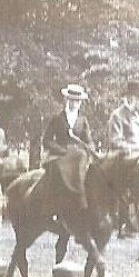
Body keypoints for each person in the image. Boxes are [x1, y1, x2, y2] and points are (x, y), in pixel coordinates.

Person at [106, 80, 139, 234]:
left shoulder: (137, 118)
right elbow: (115, 141)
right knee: (136, 179)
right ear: (130, 98)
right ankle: (126, 221)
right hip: (123, 159)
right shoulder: (117, 116)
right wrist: (135, 150)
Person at [41, 83, 94, 212]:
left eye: (78, 101)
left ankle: (86, 205)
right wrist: (61, 150)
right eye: (72, 100)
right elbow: (46, 140)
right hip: (61, 154)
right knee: (55, 172)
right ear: (66, 100)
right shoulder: (57, 118)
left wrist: (90, 148)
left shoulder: (82, 120)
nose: (75, 103)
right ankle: (52, 207)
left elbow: (88, 140)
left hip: (79, 155)